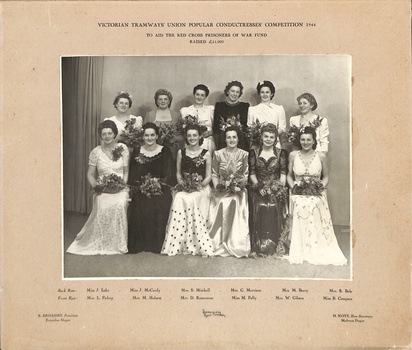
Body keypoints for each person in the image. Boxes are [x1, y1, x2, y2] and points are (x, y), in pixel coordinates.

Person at [67, 120, 130, 255]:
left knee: (120, 204)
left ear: (115, 134)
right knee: (102, 204)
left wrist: (122, 185)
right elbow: (90, 174)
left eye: (110, 133)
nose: (107, 136)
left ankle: (118, 243)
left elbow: (126, 171)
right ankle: (102, 239)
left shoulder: (123, 148)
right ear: (100, 136)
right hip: (102, 187)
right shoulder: (96, 152)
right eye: (104, 134)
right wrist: (97, 186)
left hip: (121, 187)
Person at [286, 127, 347, 265]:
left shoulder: (321, 156)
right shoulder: (293, 155)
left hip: (316, 191)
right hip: (298, 190)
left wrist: (320, 188)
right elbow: (289, 176)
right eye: (303, 139)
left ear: (314, 140)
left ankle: (314, 243)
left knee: (312, 204)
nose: (305, 142)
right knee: (300, 203)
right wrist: (294, 187)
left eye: (309, 139)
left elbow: (325, 177)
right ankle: (300, 245)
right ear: (299, 140)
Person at [161, 125, 214, 257]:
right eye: (189, 136)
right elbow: (178, 174)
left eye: (195, 135)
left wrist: (198, 186)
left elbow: (209, 176)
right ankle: (178, 242)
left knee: (192, 198)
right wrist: (184, 185)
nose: (192, 138)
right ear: (186, 137)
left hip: (202, 187)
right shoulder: (181, 153)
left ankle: (195, 242)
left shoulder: (206, 153)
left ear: (200, 136)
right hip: (185, 186)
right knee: (179, 197)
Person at [127, 122, 175, 254]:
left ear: (157, 136)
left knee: (159, 202)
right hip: (141, 187)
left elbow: (169, 174)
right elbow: (133, 174)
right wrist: (143, 185)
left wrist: (157, 184)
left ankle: (156, 245)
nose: (149, 138)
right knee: (140, 202)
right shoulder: (137, 151)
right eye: (146, 135)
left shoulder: (165, 151)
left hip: (161, 187)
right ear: (142, 136)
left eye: (152, 135)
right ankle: (140, 244)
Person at [208, 126, 251, 257]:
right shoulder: (218, 154)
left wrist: (237, 186)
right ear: (225, 139)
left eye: (234, 137)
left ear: (238, 139)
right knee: (220, 201)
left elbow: (245, 175)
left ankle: (235, 242)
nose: (231, 140)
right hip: (221, 188)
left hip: (238, 189)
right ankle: (218, 241)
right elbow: (214, 174)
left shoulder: (244, 154)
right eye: (229, 137)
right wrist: (218, 188)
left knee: (234, 200)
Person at [249, 124, 287, 256]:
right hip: (258, 188)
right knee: (259, 205)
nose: (268, 139)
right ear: (261, 137)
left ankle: (274, 244)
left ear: (276, 138)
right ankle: (258, 246)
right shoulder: (254, 153)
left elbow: (283, 175)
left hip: (275, 189)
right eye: (266, 136)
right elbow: (252, 174)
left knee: (273, 205)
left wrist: (276, 189)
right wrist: (259, 186)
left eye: (272, 137)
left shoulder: (281, 153)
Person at [247, 80, 286, 148]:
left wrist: (271, 134)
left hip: (274, 143)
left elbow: (282, 128)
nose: (265, 95)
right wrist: (258, 134)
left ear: (271, 94)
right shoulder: (252, 110)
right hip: (257, 144)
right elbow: (249, 128)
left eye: (267, 92)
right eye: (262, 92)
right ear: (259, 94)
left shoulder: (279, 109)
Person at [213, 81, 249, 151]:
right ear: (227, 91)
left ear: (240, 94)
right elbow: (216, 128)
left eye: (237, 92)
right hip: (223, 142)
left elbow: (246, 128)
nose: (235, 94)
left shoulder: (245, 107)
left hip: (241, 143)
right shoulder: (219, 106)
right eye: (232, 91)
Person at [180, 84, 216, 154]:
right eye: (197, 94)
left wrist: (209, 133)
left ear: (205, 97)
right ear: (194, 95)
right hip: (191, 142)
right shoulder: (185, 111)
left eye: (202, 95)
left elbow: (216, 127)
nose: (199, 97)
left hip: (207, 142)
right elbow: (182, 129)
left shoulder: (211, 110)